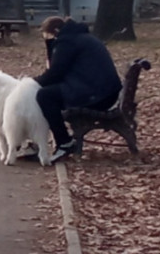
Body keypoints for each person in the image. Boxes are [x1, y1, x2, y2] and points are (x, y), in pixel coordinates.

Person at [34, 16, 122, 163]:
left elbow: (55, 73)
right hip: (104, 91)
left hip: (96, 95)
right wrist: (51, 44)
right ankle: (47, 140)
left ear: (55, 31)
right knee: (49, 93)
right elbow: (56, 68)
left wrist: (30, 83)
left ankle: (64, 142)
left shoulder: (67, 42)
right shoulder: (77, 36)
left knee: (44, 96)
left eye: (47, 34)